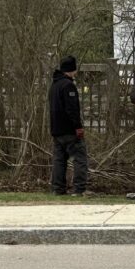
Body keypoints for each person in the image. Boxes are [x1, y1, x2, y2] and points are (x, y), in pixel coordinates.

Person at [48, 55, 89, 195]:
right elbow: (72, 109)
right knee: (80, 158)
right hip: (69, 130)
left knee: (59, 160)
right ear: (71, 70)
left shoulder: (54, 85)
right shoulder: (68, 85)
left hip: (56, 129)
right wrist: (78, 127)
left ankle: (57, 188)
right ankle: (79, 189)